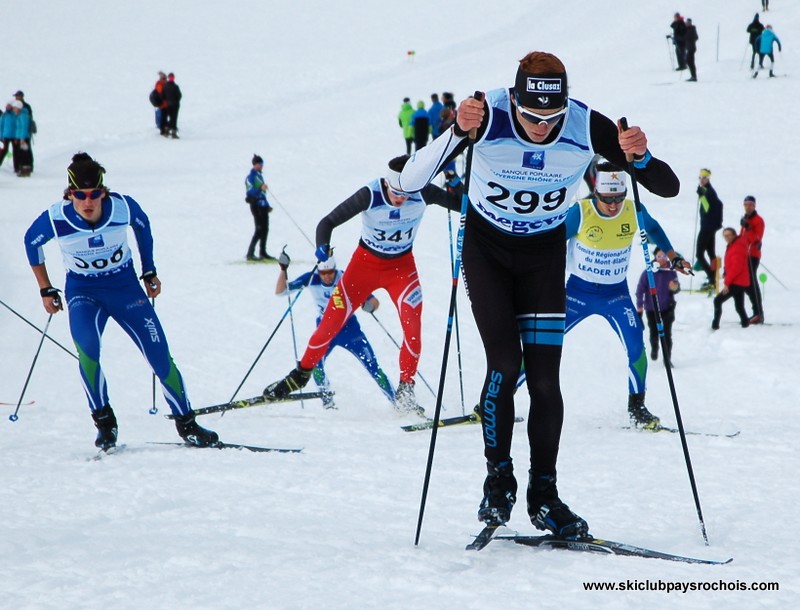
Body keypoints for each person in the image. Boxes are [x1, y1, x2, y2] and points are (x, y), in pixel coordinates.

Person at [397, 51, 680, 538]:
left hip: (543, 256)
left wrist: (641, 155)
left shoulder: (588, 124)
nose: (540, 127)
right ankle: (497, 479)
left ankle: (543, 495)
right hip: (487, 252)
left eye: (551, 117)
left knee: (546, 381)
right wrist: (458, 134)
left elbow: (667, 187)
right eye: (530, 115)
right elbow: (409, 180)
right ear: (516, 101)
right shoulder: (486, 113)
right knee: (505, 366)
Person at [22, 153, 218, 450]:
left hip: (125, 290)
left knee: (159, 355)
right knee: (88, 352)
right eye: (80, 195)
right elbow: (31, 242)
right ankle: (105, 424)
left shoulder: (122, 208)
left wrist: (148, 269)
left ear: (104, 191)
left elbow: (143, 226)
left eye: (95, 194)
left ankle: (187, 424)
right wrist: (45, 289)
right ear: (69, 194)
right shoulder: (56, 217)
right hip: (83, 293)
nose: (88, 202)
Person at [262, 155, 463, 413]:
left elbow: (465, 205)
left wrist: (454, 180)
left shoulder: (422, 191)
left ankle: (406, 389)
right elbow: (327, 222)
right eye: (396, 192)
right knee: (328, 325)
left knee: (413, 327)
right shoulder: (371, 193)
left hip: (401, 269)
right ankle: (299, 375)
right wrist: (322, 246)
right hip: (363, 268)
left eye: (406, 193)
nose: (401, 199)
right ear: (387, 184)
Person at [515, 164, 689, 429]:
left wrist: (673, 256)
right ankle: (498, 399)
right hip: (577, 294)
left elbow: (653, 229)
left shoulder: (633, 211)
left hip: (615, 295)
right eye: (607, 199)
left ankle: (637, 407)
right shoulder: (581, 213)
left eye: (618, 198)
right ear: (596, 193)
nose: (613, 205)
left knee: (636, 346)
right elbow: (550, 242)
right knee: (539, 345)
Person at [275, 252, 395, 408]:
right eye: (323, 273)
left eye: (330, 272)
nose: (327, 276)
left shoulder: (345, 278)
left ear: (335, 269)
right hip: (325, 331)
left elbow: (373, 301)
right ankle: (328, 403)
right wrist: (283, 269)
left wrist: (370, 306)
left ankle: (397, 402)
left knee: (373, 367)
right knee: (316, 366)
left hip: (350, 330)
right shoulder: (311, 277)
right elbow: (281, 292)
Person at [636, 247, 681, 368]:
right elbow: (640, 290)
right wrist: (639, 306)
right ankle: (654, 347)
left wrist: (674, 287)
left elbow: (676, 289)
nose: (662, 259)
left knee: (667, 334)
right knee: (654, 332)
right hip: (652, 308)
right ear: (655, 257)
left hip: (668, 307)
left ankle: (667, 359)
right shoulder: (648, 272)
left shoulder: (671, 270)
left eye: (664, 256)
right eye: (659, 256)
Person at [712, 228, 752, 330]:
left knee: (718, 300)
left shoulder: (737, 247)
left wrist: (727, 282)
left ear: (734, 235)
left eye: (729, 235)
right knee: (739, 306)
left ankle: (715, 324)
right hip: (739, 281)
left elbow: (736, 268)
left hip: (737, 281)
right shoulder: (733, 245)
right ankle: (745, 323)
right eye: (725, 236)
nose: (727, 238)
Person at [695, 168, 723, 290]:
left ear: (708, 179)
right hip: (709, 226)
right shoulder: (708, 191)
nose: (702, 180)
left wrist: (701, 196)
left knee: (699, 254)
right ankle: (714, 278)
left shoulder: (709, 192)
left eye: (704, 178)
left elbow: (707, 208)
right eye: (700, 177)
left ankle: (712, 277)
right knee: (710, 252)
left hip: (707, 227)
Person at [740, 195, 765, 323]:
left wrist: (748, 228)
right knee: (747, 283)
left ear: (754, 206)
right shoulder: (746, 219)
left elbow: (756, 238)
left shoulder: (758, 220)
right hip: (744, 255)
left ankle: (758, 312)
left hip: (753, 255)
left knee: (751, 283)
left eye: (750, 205)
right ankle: (756, 312)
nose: (748, 207)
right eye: (746, 205)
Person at [245, 154, 274, 261]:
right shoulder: (251, 177)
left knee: (265, 229)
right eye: (259, 164)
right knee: (259, 229)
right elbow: (250, 191)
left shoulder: (259, 176)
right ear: (254, 164)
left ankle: (263, 252)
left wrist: (267, 205)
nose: (261, 166)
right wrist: (260, 188)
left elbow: (263, 194)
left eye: (262, 164)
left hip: (262, 205)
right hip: (255, 205)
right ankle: (250, 253)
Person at [10, 99, 33, 177]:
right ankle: (22, 169)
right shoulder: (19, 115)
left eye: (15, 108)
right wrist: (17, 138)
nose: (14, 110)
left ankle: (25, 170)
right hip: (20, 138)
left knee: (24, 155)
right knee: (21, 154)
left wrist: (22, 138)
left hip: (24, 138)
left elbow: (24, 128)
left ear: (18, 108)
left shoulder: (23, 116)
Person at [161, 72, 182, 137]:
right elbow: (179, 95)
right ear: (173, 78)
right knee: (174, 118)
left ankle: (167, 129)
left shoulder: (165, 86)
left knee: (171, 118)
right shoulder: (175, 87)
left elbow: (162, 96)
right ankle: (173, 132)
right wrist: (176, 100)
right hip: (175, 104)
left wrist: (167, 101)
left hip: (168, 105)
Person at [0, 100, 15, 170]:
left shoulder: (14, 115)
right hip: (5, 136)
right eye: (7, 106)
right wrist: (1, 136)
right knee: (5, 150)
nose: (7, 107)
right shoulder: (4, 115)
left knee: (15, 150)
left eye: (9, 106)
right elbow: (1, 126)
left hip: (13, 136)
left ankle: (16, 166)